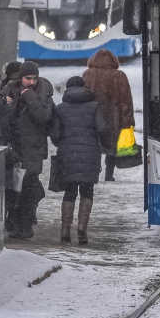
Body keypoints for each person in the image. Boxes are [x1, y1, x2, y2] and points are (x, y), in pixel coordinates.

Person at [51, 76, 111, 244]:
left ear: (67, 89)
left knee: (69, 191)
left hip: (67, 154)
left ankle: (65, 230)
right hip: (90, 154)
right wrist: (106, 144)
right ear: (85, 88)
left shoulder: (60, 109)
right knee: (87, 190)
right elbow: (102, 129)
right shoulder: (95, 107)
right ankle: (82, 228)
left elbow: (55, 134)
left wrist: (62, 143)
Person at [4, 61, 55, 239]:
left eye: (34, 78)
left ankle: (26, 225)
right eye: (27, 78)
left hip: (33, 148)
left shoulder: (44, 94)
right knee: (12, 188)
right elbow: (2, 118)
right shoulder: (9, 90)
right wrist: (7, 104)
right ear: (21, 78)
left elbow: (44, 118)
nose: (31, 82)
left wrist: (31, 99)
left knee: (28, 188)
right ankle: (14, 224)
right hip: (13, 147)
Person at [82, 49, 135, 182]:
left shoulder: (88, 74)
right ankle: (109, 174)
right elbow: (126, 101)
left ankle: (94, 172)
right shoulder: (119, 76)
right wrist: (128, 121)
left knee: (94, 145)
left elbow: (83, 96)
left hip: (93, 116)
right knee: (112, 146)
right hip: (114, 117)